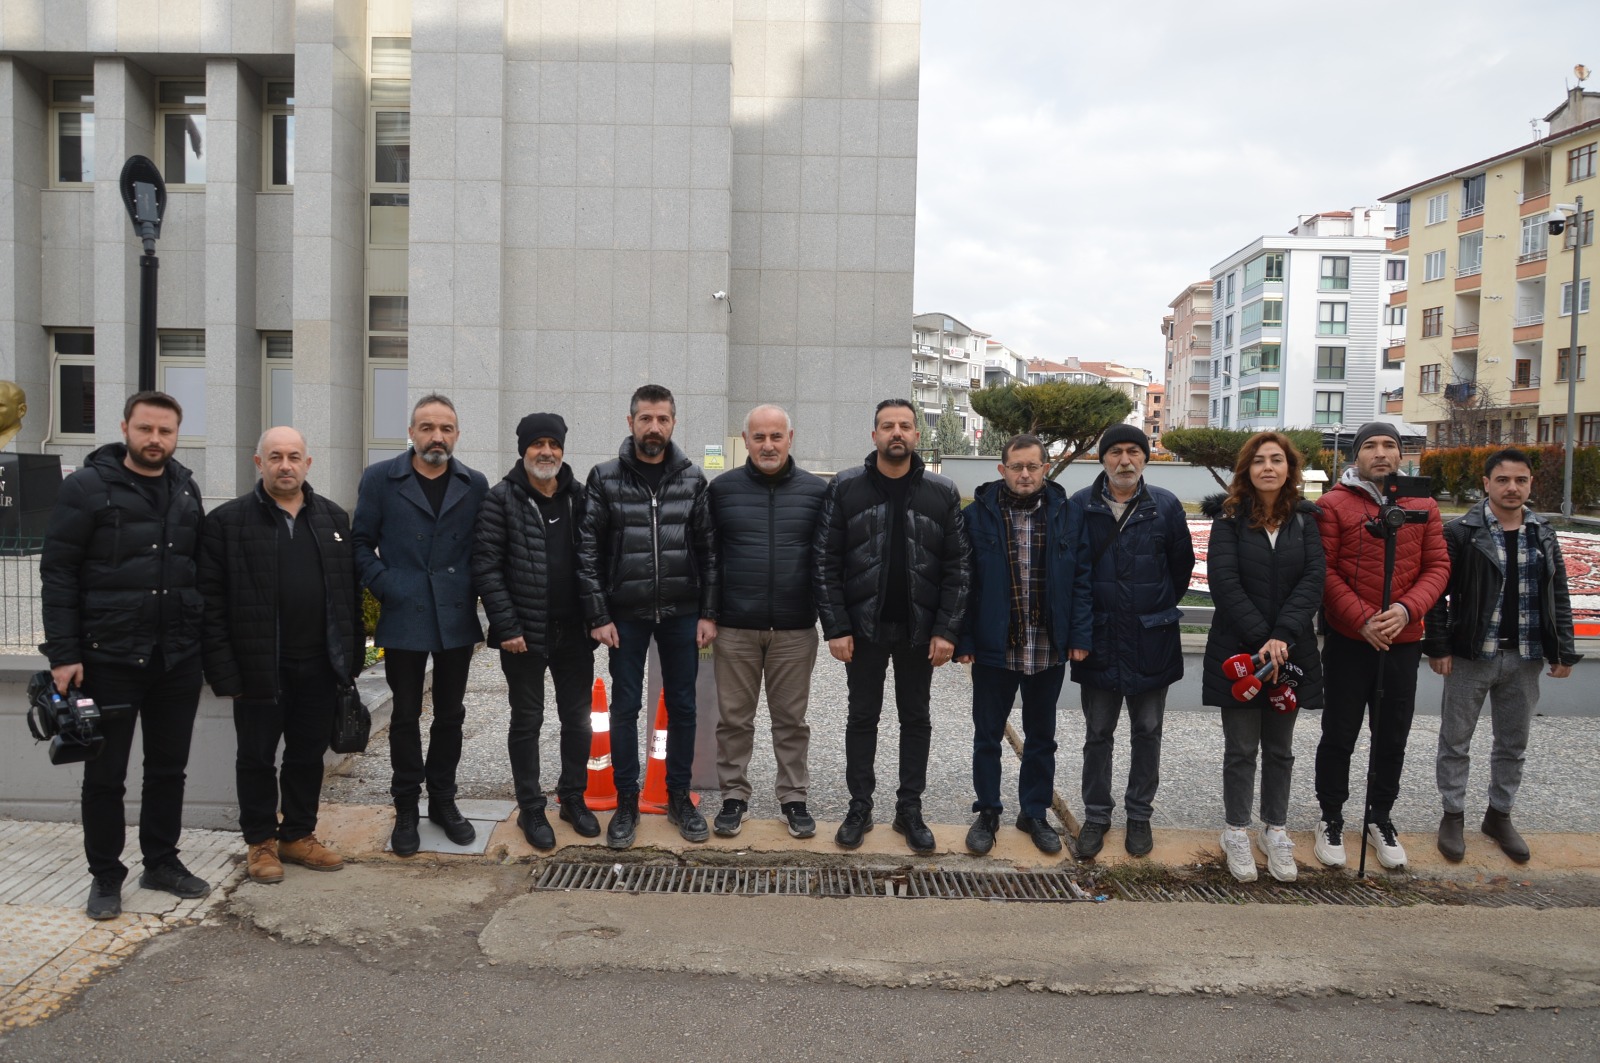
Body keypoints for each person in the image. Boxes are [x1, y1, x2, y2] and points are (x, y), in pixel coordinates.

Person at [39, 391, 210, 919]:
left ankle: (161, 862)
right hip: (108, 658)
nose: (154, 440)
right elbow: (59, 571)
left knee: (167, 769)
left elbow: (196, 568)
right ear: (125, 429)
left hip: (175, 659)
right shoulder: (86, 488)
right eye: (145, 429)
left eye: (164, 431)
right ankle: (106, 876)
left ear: (176, 434)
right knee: (105, 774)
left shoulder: (186, 489)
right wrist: (64, 653)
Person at [200, 427, 363, 883]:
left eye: (294, 456)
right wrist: (224, 671)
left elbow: (348, 598)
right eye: (275, 457)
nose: (285, 465)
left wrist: (348, 662)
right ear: (259, 464)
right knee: (255, 758)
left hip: (318, 666)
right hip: (258, 669)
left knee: (307, 756)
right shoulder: (227, 523)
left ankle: (297, 836)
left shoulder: (332, 519)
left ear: (308, 464)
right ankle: (260, 844)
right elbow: (210, 604)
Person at [815, 398, 970, 855]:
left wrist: (946, 629)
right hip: (863, 629)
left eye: (905, 426)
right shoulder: (846, 488)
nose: (896, 433)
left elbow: (958, 568)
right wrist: (836, 627)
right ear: (874, 435)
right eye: (887, 426)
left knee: (915, 718)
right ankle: (859, 807)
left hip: (919, 631)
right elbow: (825, 563)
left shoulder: (941, 492)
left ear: (917, 436)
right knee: (862, 717)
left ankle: (909, 809)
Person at [578, 384, 719, 850]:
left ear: (673, 423)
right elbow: (588, 553)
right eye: (645, 419)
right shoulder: (604, 478)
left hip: (682, 612)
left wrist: (708, 614)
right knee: (624, 707)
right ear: (630, 422)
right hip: (626, 615)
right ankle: (625, 800)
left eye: (662, 419)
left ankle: (678, 797)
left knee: (683, 706)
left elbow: (709, 552)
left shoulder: (692, 479)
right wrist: (598, 614)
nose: (653, 427)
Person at [1424, 448, 1581, 864]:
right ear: (1487, 483)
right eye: (1504, 480)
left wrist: (1563, 649)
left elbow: (1558, 594)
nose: (1513, 488)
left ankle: (1499, 815)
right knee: (1455, 741)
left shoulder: (1542, 532)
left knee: (1513, 744)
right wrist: (1438, 646)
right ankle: (1452, 815)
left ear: (1530, 484)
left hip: (1525, 657)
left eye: (1521, 480)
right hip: (1472, 654)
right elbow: (1437, 594)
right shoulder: (1462, 531)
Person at [353, 394, 489, 856]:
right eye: (427, 427)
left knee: (451, 715)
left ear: (456, 434)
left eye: (446, 428)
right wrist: (387, 585)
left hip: (453, 613)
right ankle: (407, 807)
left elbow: (483, 550)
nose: (437, 437)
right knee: (405, 716)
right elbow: (359, 544)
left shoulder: (475, 484)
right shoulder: (380, 479)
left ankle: (443, 802)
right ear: (411, 432)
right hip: (404, 611)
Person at [1313, 421, 1449, 869]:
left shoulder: (1422, 505)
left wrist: (1407, 610)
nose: (1381, 453)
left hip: (1402, 640)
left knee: (1392, 734)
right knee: (1340, 731)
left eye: (1389, 445)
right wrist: (1361, 618)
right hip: (1351, 640)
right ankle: (1331, 815)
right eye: (1370, 445)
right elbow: (1324, 570)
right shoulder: (1333, 504)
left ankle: (1380, 816)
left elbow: (1437, 567)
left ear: (1400, 453)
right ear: (1357, 456)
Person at [955, 434, 1092, 856]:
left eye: (1033, 466)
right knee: (988, 736)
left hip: (1047, 646)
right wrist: (963, 638)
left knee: (1041, 738)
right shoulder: (976, 516)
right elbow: (962, 581)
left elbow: (1082, 580)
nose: (1025, 474)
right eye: (1017, 467)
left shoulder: (1068, 515)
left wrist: (1080, 636)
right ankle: (988, 812)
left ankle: (1033, 812)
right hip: (995, 646)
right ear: (1002, 470)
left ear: (1045, 467)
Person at [1200, 432, 1324, 883]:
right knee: (1240, 748)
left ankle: (1275, 829)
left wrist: (1282, 637)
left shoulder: (1308, 520)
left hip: (1289, 654)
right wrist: (1263, 639)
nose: (1268, 467)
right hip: (1239, 650)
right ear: (1246, 469)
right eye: (1259, 461)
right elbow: (1224, 583)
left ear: (1290, 468)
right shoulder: (1228, 519)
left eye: (1277, 460)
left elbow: (1313, 580)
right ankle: (1235, 830)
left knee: (1280, 749)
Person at [472, 413, 599, 850]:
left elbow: (595, 559)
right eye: (537, 444)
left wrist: (597, 618)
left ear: (563, 449)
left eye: (553, 443)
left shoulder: (580, 498)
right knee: (527, 720)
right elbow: (486, 567)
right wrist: (506, 625)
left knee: (577, 720)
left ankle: (572, 798)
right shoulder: (500, 499)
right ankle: (530, 807)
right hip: (523, 635)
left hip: (575, 633)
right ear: (522, 449)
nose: (546, 451)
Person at [1069, 424, 1194, 860]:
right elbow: (1072, 575)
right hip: (1098, 640)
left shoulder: (1165, 506)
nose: (1125, 460)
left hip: (1150, 639)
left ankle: (1139, 815)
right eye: (1116, 452)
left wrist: (1153, 610)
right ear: (1103, 459)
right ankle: (1096, 815)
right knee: (1098, 733)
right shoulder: (1079, 506)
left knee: (1147, 731)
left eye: (1134, 452)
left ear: (1145, 458)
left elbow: (1180, 569)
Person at [707, 404, 828, 839]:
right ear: (747, 441)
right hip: (735, 628)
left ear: (790, 438)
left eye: (776, 436)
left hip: (795, 629)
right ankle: (733, 797)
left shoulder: (816, 493)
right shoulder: (721, 490)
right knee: (734, 720)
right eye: (759, 437)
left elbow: (826, 561)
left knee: (791, 721)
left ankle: (794, 798)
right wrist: (708, 613)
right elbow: (710, 558)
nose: (768, 445)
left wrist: (831, 622)